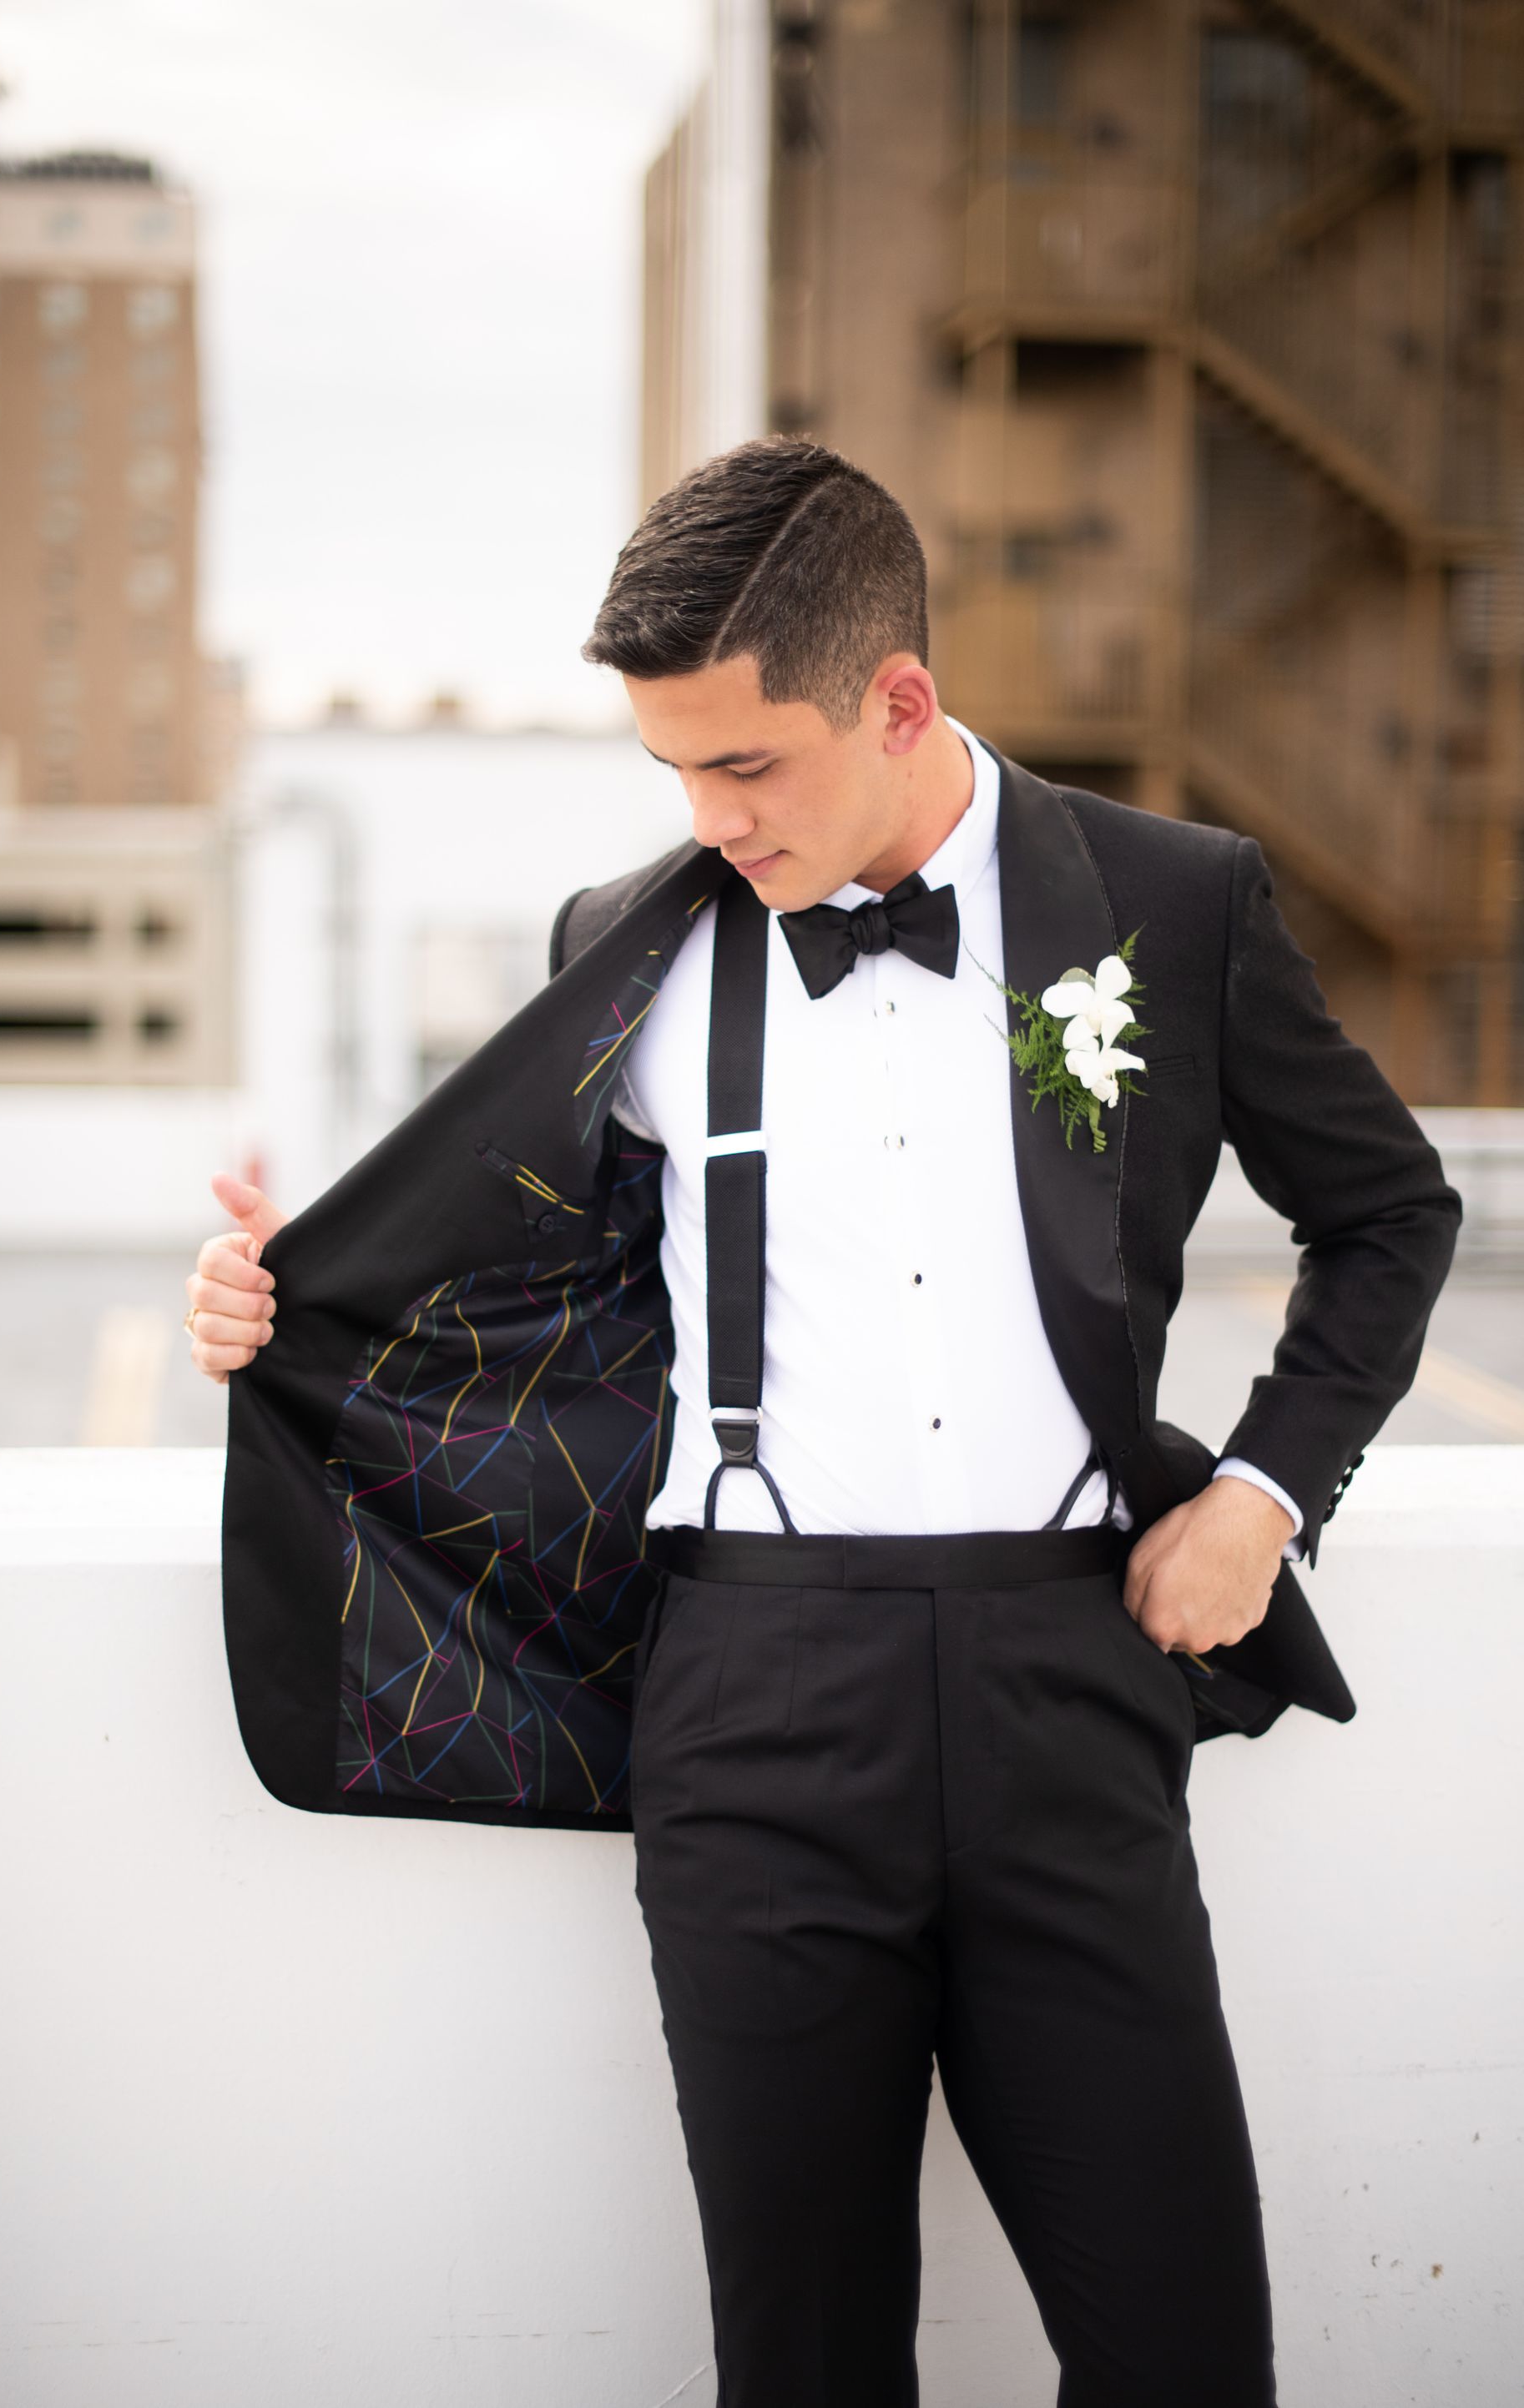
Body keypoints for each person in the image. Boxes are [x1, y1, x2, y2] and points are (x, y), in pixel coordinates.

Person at [189, 437, 1461, 2407]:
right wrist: (282, 1309)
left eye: (748, 766)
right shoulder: (624, 935)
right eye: (673, 772)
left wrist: (1272, 1493)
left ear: (900, 701)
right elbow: (520, 1297)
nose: (712, 820)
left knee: (1186, 2351)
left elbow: (1388, 1210)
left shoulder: (1169, 902)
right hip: (750, 1704)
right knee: (804, 2363)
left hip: (1073, 1672)